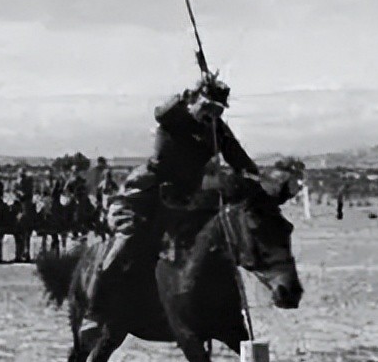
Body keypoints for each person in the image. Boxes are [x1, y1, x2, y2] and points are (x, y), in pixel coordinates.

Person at [89, 75, 259, 313]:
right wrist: (187, 95)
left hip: (188, 197)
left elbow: (242, 161)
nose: (211, 114)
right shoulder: (176, 116)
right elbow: (161, 112)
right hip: (149, 191)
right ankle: (97, 304)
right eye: (207, 106)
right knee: (130, 237)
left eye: (218, 110)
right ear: (193, 100)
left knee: (217, 245)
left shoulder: (217, 130)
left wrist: (250, 177)